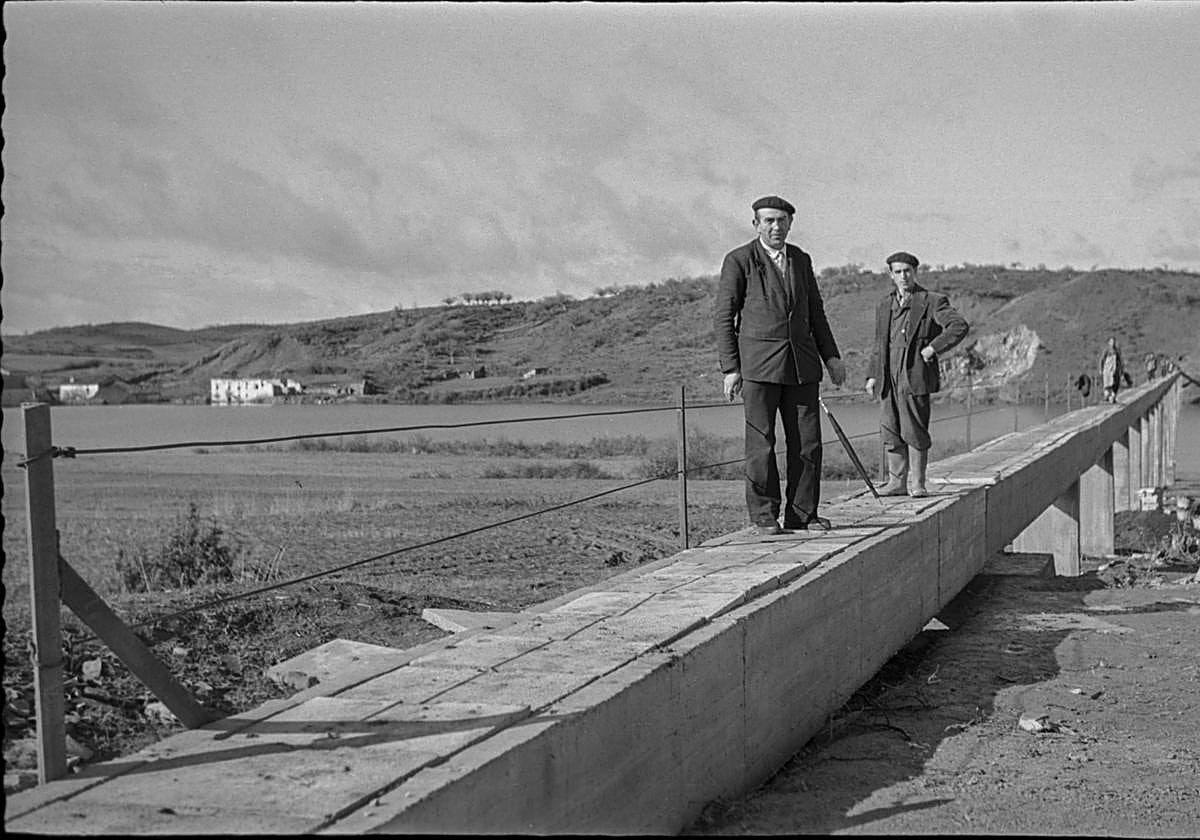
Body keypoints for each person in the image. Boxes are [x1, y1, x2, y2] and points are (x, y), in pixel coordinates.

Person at [714, 195, 846, 536]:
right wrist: (731, 368)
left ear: (790, 223)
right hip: (757, 367)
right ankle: (764, 516)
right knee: (761, 444)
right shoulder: (739, 260)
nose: (776, 226)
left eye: (782, 220)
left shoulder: (801, 259)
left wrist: (831, 357)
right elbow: (724, 316)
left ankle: (802, 515)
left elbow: (816, 312)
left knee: (808, 444)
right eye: (769, 220)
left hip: (801, 366)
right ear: (756, 224)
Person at [864, 252, 968, 498]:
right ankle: (896, 483)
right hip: (888, 377)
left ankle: (918, 484)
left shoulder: (932, 301)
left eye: (907, 271)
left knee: (914, 430)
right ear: (891, 275)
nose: (903, 276)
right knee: (890, 429)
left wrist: (933, 348)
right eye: (898, 272)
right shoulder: (884, 304)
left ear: (915, 272)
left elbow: (959, 326)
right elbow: (879, 344)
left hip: (914, 375)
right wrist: (872, 375)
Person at [1099, 337, 1124, 403]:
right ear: (1109, 343)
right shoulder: (1106, 350)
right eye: (1111, 342)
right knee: (1107, 384)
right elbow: (1102, 360)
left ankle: (1112, 397)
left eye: (1113, 342)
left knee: (1114, 384)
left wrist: (1121, 370)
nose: (1113, 343)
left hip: (1114, 370)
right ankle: (1107, 396)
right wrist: (1100, 369)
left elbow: (1119, 361)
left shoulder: (1116, 351)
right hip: (1107, 370)